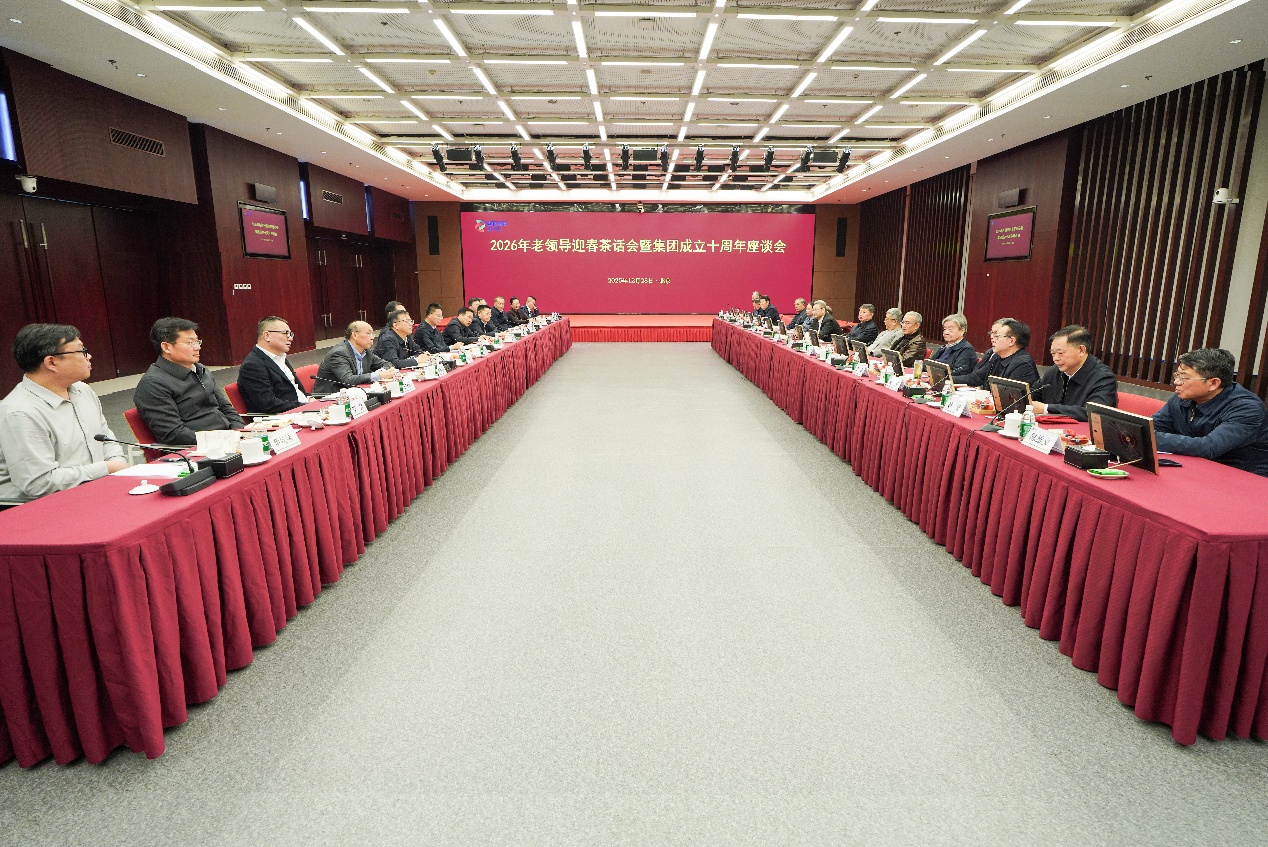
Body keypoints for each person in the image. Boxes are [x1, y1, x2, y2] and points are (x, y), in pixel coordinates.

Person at [0, 324, 129, 503]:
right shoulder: (20, 412)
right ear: (51, 362)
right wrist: (107, 468)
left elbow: (106, 438)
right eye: (82, 351)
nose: (89, 356)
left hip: (95, 491)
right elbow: (38, 483)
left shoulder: (83, 390)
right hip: (42, 506)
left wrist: (117, 465)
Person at [1152, 348, 1268, 476]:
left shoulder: (1247, 409)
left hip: (1243, 475)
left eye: (1184, 377)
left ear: (1213, 383)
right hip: (1198, 467)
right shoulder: (1182, 398)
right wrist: (1145, 434)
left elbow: (1209, 447)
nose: (1176, 382)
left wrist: (1151, 438)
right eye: (1177, 375)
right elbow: (1153, 426)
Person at [134, 317, 243, 446]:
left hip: (228, 439)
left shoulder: (201, 369)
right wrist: (223, 440)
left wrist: (239, 431)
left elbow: (225, 407)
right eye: (190, 343)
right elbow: (174, 434)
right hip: (197, 448)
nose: (197, 347)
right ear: (166, 347)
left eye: (197, 341)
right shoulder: (153, 384)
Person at [1030, 325, 1117, 421]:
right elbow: (1033, 393)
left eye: (1060, 353)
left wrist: (1047, 409)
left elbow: (1094, 413)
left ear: (1081, 350)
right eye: (1053, 353)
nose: (1055, 359)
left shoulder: (1103, 377)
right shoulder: (1055, 371)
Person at [236, 316, 308, 414]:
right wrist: (305, 406)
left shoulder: (280, 357)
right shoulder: (252, 365)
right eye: (285, 333)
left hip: (299, 409)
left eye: (291, 334)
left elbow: (295, 391)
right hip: (281, 417)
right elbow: (268, 404)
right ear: (267, 336)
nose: (290, 338)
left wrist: (310, 400)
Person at [312, 321, 398, 395]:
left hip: (355, 394)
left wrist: (386, 371)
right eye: (368, 334)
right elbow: (348, 380)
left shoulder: (366, 351)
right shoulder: (339, 353)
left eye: (372, 334)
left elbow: (387, 364)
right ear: (355, 335)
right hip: (330, 398)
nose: (372, 337)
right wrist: (379, 375)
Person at [961, 318, 1040, 388]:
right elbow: (978, 378)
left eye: (998, 336)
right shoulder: (997, 357)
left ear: (1011, 341)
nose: (993, 339)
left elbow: (1010, 396)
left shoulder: (1023, 365)